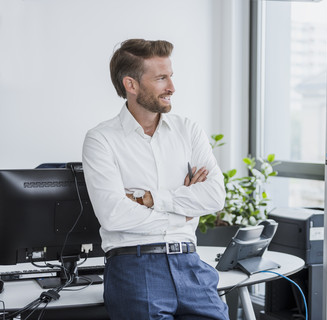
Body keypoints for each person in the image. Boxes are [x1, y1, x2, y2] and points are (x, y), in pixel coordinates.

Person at [82, 39, 229, 320]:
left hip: (190, 264)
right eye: (161, 78)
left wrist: (149, 199)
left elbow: (214, 196)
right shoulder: (101, 139)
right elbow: (114, 215)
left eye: (170, 76)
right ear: (131, 85)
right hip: (134, 266)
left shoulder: (188, 130)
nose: (172, 87)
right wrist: (182, 213)